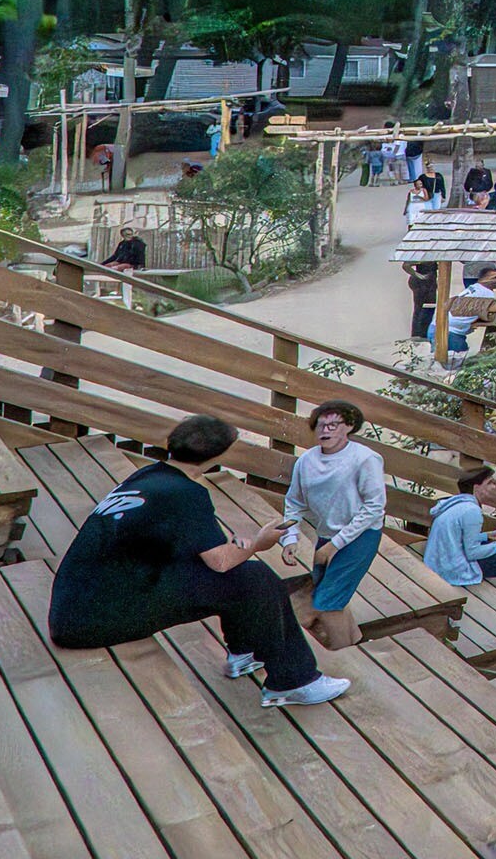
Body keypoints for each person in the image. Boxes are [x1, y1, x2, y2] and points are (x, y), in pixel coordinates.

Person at [47, 413, 351, 708]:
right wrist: (261, 541)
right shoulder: (187, 494)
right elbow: (220, 562)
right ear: (217, 457)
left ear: (170, 442)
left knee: (241, 577)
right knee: (254, 578)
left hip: (74, 607)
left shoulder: (148, 477)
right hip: (96, 620)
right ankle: (293, 682)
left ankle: (246, 651)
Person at [281, 400, 386, 652]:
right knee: (332, 592)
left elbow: (374, 507)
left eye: (333, 425)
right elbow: (293, 502)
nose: (325, 431)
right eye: (320, 425)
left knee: (327, 602)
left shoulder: (365, 459)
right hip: (326, 534)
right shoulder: (306, 461)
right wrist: (289, 538)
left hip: (360, 536)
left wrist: (334, 546)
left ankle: (346, 656)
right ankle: (356, 641)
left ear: (349, 426)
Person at [425, 463, 496, 586]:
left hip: (440, 563)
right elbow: (473, 553)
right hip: (456, 572)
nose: (494, 487)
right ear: (476, 488)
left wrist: (490, 535)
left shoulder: (457, 503)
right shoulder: (472, 511)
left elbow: (460, 537)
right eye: (489, 483)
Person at [407, 260, 440, 344]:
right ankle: (417, 334)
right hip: (421, 283)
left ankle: (424, 333)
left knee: (429, 307)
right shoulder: (422, 255)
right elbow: (406, 265)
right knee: (419, 308)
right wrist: (419, 276)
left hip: (430, 282)